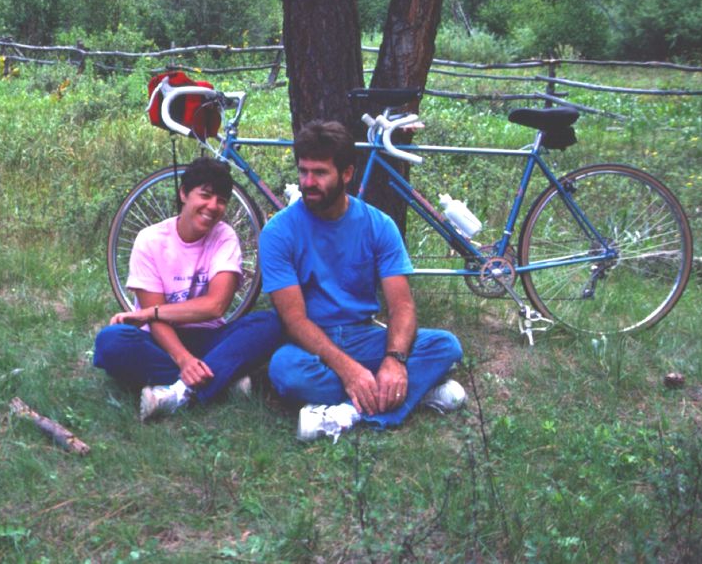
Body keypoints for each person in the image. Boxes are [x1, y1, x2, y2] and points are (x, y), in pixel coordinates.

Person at [259, 120, 465, 442]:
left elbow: (402, 306)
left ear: (347, 174)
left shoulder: (379, 225)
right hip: (313, 343)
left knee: (444, 345)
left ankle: (348, 413)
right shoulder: (278, 232)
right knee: (285, 370)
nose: (308, 182)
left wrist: (395, 361)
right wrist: (349, 371)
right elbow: (294, 320)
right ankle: (411, 393)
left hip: (364, 337)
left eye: (320, 173)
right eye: (303, 172)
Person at [94, 157, 282, 421]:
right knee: (111, 342)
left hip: (209, 338)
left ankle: (179, 392)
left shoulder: (224, 236)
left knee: (271, 323)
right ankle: (223, 381)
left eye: (221, 200)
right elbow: (157, 322)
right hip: (161, 340)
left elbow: (216, 306)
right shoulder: (149, 240)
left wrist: (149, 314)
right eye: (204, 195)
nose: (212, 207)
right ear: (183, 194)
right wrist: (183, 360)